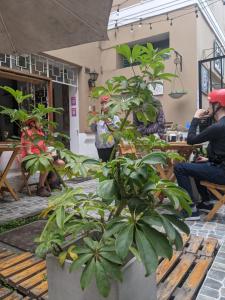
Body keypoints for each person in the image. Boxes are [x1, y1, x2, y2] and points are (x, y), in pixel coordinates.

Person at [174, 89, 225, 220]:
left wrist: (195, 118)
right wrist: (208, 159)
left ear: (218, 106)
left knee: (179, 167)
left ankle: (190, 209)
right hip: (221, 168)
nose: (208, 108)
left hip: (222, 173)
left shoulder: (218, 127)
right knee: (197, 163)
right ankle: (206, 203)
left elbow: (191, 140)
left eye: (210, 104)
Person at [21, 117, 64, 197]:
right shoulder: (27, 133)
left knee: (61, 163)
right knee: (48, 162)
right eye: (39, 122)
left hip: (42, 158)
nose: (41, 124)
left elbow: (45, 149)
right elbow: (28, 152)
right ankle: (41, 187)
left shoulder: (40, 134)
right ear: (32, 124)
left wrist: (50, 154)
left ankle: (51, 181)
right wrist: (43, 156)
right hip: (30, 160)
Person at [91, 96, 120, 162]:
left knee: (112, 165)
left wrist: (108, 121)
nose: (104, 106)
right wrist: (93, 123)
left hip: (111, 147)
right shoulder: (98, 118)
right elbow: (93, 130)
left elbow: (117, 130)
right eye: (102, 104)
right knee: (103, 166)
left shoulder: (115, 118)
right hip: (100, 147)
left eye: (105, 103)